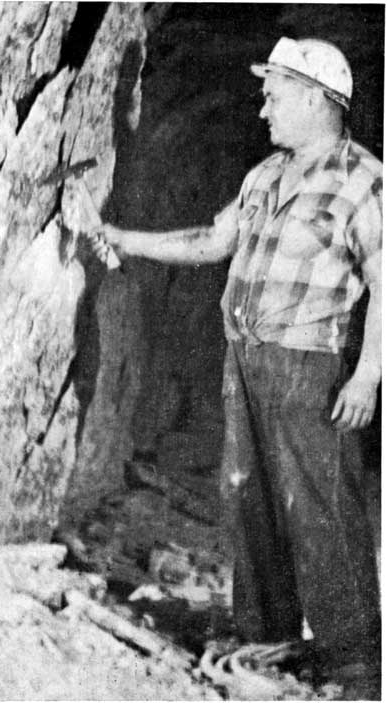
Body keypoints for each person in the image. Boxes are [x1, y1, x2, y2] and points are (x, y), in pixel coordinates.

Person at [93, 37, 382, 698]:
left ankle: (355, 664)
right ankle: (265, 636)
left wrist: (368, 374)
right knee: (246, 495)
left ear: (315, 98)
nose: (263, 108)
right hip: (244, 357)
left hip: (310, 362)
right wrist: (119, 238)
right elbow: (211, 241)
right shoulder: (265, 176)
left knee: (319, 504)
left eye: (274, 94)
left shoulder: (366, 180)